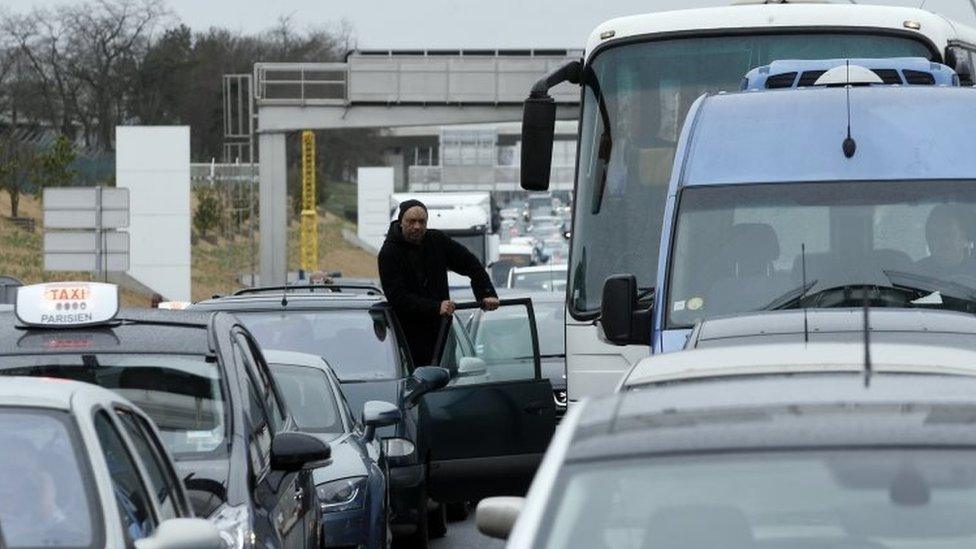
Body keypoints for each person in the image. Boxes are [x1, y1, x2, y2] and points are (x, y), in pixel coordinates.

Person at [378, 199, 499, 367]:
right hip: (407, 338)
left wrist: (487, 293)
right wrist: (435, 307)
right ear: (400, 222)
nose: (417, 227)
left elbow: (470, 263)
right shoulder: (389, 253)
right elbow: (397, 297)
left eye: (422, 222)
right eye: (411, 221)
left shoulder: (436, 241)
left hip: (441, 333)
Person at [915, 205, 976, 279]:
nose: (943, 240)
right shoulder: (915, 274)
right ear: (928, 240)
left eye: (948, 234)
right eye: (935, 235)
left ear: (965, 238)